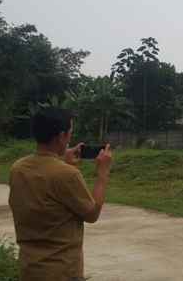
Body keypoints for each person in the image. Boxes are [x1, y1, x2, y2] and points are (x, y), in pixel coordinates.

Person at [8, 107, 112, 281]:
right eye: (70, 132)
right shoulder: (67, 174)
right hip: (62, 272)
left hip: (29, 268)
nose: (71, 137)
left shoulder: (18, 168)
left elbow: (47, 188)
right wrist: (103, 173)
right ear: (61, 136)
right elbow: (92, 214)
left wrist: (62, 161)